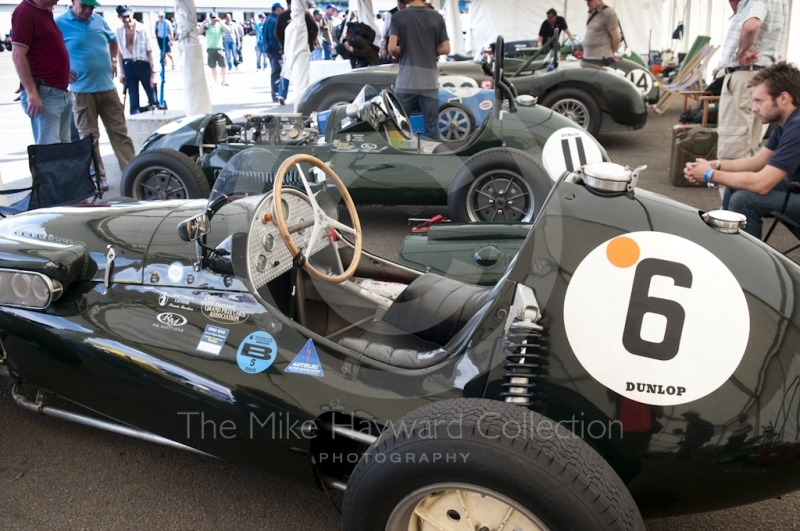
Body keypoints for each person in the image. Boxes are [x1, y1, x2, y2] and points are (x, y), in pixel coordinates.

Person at [684, 62, 800, 238]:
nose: (754, 108)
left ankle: (743, 262)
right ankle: (726, 244)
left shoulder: (797, 127)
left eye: (759, 101)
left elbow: (762, 184)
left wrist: (708, 175)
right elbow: (756, 162)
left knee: (744, 200)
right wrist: (712, 165)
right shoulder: (787, 121)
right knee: (734, 185)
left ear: (783, 98)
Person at [56, 0, 135, 191]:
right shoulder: (59, 23)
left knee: (120, 132)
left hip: (106, 87)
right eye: (84, 6)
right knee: (89, 136)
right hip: (82, 90)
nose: (88, 10)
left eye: (92, 7)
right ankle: (99, 176)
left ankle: (132, 172)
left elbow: (112, 40)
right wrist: (62, 69)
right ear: (73, 2)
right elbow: (50, 49)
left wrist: (114, 60)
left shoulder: (98, 20)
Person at [716, 0, 788, 178]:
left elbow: (752, 25)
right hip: (758, 75)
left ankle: (730, 203)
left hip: (745, 74)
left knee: (734, 149)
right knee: (748, 146)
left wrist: (740, 52)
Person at [11, 0, 72, 144]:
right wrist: (31, 92)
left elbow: (44, 48)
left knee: (64, 151)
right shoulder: (25, 12)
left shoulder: (44, 12)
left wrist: (61, 69)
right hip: (45, 93)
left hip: (58, 91)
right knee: (50, 151)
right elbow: (18, 55)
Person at [388, 0, 449, 139]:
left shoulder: (398, 16)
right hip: (429, 80)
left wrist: (403, 51)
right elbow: (446, 48)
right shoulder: (437, 17)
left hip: (406, 79)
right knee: (432, 127)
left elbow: (391, 48)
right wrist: (428, 50)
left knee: (398, 125)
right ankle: (433, 158)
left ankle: (397, 156)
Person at [116, 5, 158, 114]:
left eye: (128, 16)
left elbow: (150, 51)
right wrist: (121, 72)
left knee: (152, 95)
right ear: (119, 17)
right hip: (128, 64)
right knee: (133, 98)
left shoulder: (143, 29)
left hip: (143, 64)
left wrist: (154, 74)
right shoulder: (119, 31)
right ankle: (135, 118)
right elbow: (119, 53)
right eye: (123, 17)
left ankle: (155, 113)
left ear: (132, 14)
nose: (126, 19)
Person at [275, 0, 319, 105]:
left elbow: (277, 33)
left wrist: (285, 43)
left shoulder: (282, 15)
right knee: (301, 74)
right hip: (302, 47)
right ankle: (289, 96)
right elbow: (315, 27)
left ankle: (282, 94)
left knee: (286, 72)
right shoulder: (305, 13)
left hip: (289, 48)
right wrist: (310, 40)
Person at [582, 0, 621, 67]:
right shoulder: (592, 12)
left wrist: (611, 53)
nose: (588, 3)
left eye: (590, 1)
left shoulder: (608, 12)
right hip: (588, 56)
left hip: (599, 58)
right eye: (587, 1)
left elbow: (617, 37)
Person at [201, 12, 230, 86]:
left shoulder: (220, 26)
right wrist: (203, 23)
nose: (214, 19)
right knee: (213, 66)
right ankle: (215, 81)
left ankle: (223, 80)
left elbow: (228, 30)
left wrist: (220, 22)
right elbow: (199, 31)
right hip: (211, 48)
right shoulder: (208, 26)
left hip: (219, 47)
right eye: (212, 18)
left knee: (223, 65)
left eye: (215, 18)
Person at [265, 3, 283, 102]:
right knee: (276, 72)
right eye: (281, 8)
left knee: (276, 71)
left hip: (271, 49)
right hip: (274, 50)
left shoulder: (270, 18)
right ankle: (275, 94)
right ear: (277, 9)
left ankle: (276, 93)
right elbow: (273, 37)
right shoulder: (273, 20)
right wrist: (278, 48)